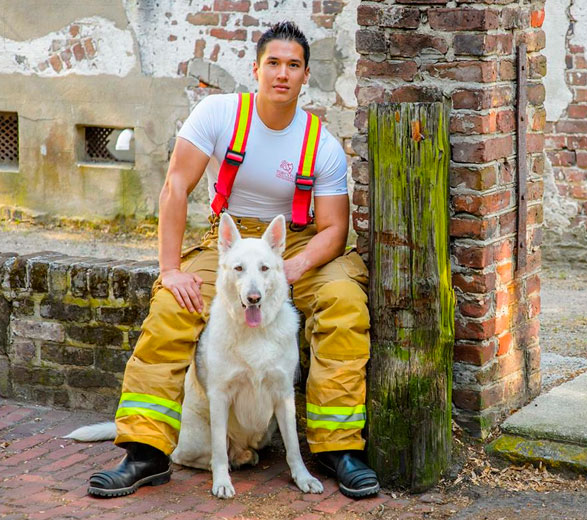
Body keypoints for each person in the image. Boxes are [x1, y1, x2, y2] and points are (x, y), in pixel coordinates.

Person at [88, 21, 379, 499]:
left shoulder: (320, 143)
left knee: (345, 305)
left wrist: (296, 266)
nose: (282, 74)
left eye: (293, 66)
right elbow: (175, 187)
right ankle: (145, 450)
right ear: (256, 68)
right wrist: (170, 270)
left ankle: (337, 447)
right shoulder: (219, 114)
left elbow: (334, 229)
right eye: (273, 64)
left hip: (294, 248)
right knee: (170, 309)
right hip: (230, 248)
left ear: (305, 76)